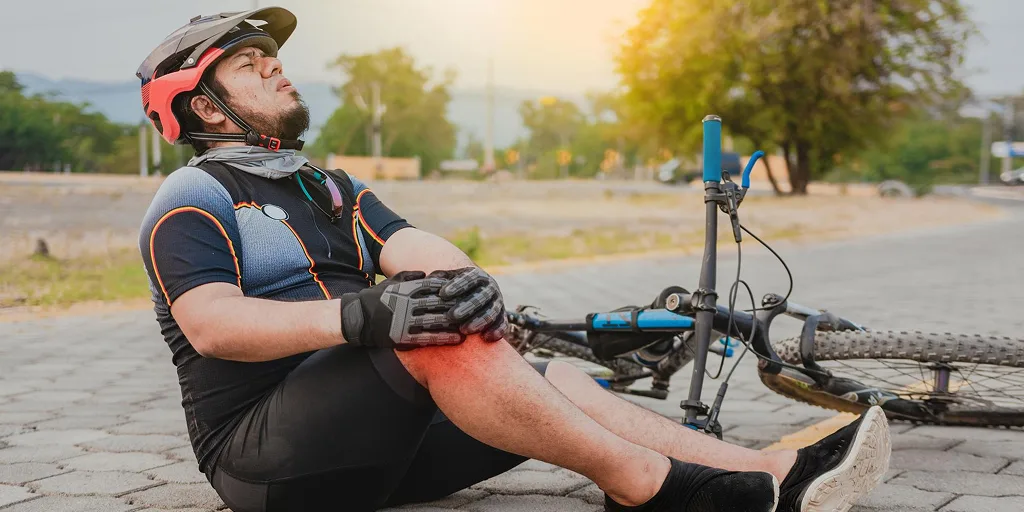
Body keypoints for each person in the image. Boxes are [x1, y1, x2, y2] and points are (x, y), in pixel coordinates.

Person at [136, 7, 891, 512]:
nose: (274, 67)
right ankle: (654, 490)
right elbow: (212, 326)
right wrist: (362, 315)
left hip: (382, 457)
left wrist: (465, 283)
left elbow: (410, 244)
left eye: (272, 57)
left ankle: (765, 473)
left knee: (543, 372)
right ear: (205, 108)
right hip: (266, 464)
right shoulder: (191, 199)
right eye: (249, 64)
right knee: (421, 332)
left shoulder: (325, 186)